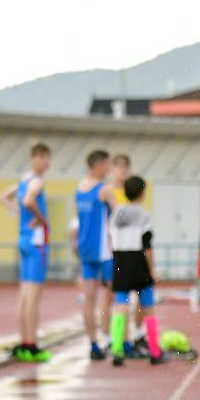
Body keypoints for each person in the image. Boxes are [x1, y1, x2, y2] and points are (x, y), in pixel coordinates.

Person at [0, 143, 52, 362]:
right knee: (33, 295)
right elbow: (29, 200)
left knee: (24, 294)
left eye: (47, 157)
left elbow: (2, 197)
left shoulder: (23, 180)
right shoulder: (36, 181)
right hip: (36, 242)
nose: (45, 162)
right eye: (41, 157)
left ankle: (23, 342)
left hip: (23, 239)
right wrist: (41, 220)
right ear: (33, 159)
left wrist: (20, 214)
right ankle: (31, 344)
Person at [108, 176, 166, 367]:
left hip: (119, 260)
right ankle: (154, 351)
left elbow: (110, 239)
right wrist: (153, 271)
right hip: (138, 261)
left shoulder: (115, 213)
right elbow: (147, 247)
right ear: (142, 193)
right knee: (148, 307)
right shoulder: (144, 215)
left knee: (120, 306)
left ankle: (117, 349)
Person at [74, 150, 117, 360]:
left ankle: (93, 344)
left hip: (85, 249)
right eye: (107, 165)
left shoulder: (79, 188)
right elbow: (117, 218)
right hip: (104, 251)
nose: (109, 169)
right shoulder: (105, 189)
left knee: (88, 299)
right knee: (112, 296)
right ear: (98, 165)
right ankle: (110, 337)